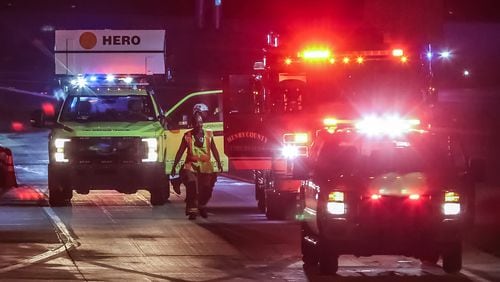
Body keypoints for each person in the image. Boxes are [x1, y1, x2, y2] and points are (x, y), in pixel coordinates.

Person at [171, 112, 223, 220]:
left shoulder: (209, 134)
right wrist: (174, 167)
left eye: (200, 122)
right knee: (192, 185)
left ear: (203, 123)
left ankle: (202, 205)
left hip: (205, 165)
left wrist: (218, 162)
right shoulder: (187, 136)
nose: (199, 125)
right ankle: (192, 211)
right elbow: (180, 152)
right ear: (192, 124)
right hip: (191, 165)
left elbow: (214, 149)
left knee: (207, 189)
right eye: (196, 122)